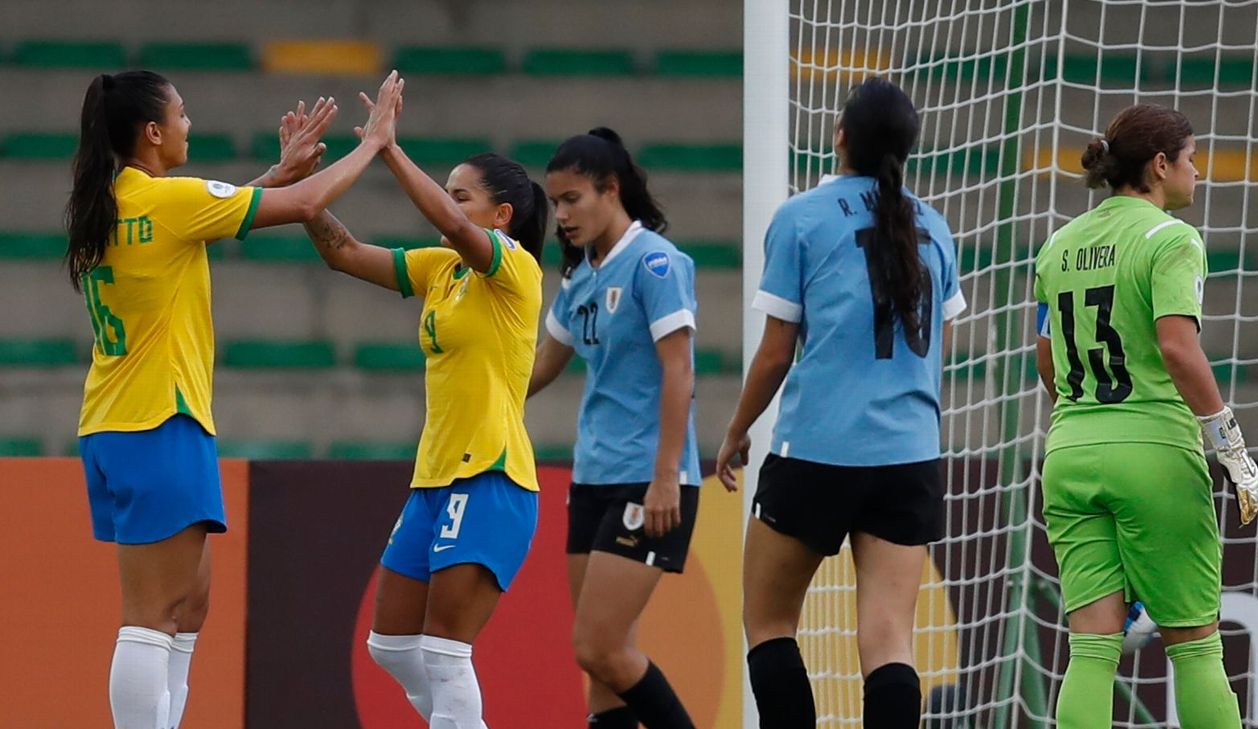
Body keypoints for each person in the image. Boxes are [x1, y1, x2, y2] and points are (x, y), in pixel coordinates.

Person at [66, 69, 403, 729]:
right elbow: (307, 206)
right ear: (153, 132)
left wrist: (275, 173)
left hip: (123, 422)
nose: (191, 125)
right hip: (158, 421)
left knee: (188, 607)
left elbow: (218, 212)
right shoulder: (165, 201)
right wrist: (374, 145)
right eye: (182, 114)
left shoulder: (118, 202)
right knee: (151, 615)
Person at [715, 78, 965, 729]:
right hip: (910, 454)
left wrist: (737, 429)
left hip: (819, 450)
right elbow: (938, 342)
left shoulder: (802, 218)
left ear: (841, 137)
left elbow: (775, 353)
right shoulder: (934, 227)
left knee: (768, 620)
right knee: (889, 639)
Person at [291, 93, 548, 725]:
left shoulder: (512, 269)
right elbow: (343, 253)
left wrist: (388, 149)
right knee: (391, 646)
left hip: (489, 475)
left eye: (460, 193)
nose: (448, 202)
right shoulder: (443, 271)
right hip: (433, 478)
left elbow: (461, 230)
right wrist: (303, 191)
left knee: (441, 652)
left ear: (503, 215)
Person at [1033, 104, 1258, 729]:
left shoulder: (1057, 245)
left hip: (1071, 455)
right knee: (1196, 647)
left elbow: (1048, 361)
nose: (1198, 173)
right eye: (1191, 160)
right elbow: (1176, 347)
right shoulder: (1170, 239)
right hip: (1155, 454)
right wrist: (1230, 446)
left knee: (1091, 649)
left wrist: (1091, 420)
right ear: (1160, 166)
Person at [529, 127, 715, 729]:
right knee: (602, 669)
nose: (561, 215)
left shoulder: (655, 262)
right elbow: (539, 368)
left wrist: (666, 477)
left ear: (611, 190)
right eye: (555, 203)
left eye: (572, 199)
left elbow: (679, 370)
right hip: (594, 477)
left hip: (647, 479)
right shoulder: (580, 274)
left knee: (599, 648)